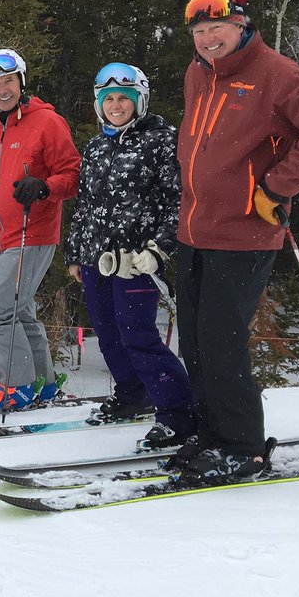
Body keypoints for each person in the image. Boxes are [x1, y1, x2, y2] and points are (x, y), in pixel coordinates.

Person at [171, 0, 299, 483]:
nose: (208, 40)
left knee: (221, 343)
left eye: (217, 29)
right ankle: (210, 434)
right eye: (200, 32)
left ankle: (242, 447)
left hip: (244, 236)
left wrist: (277, 184)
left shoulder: (277, 74)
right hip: (193, 232)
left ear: (242, 26)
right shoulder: (197, 73)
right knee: (195, 341)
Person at [64, 63, 193, 444]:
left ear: (140, 100)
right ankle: (132, 394)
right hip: (95, 258)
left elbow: (179, 199)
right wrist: (76, 253)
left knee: (137, 334)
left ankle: (179, 412)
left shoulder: (161, 139)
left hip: (137, 261)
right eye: (109, 99)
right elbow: (85, 203)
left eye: (124, 98)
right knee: (107, 334)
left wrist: (159, 248)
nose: (116, 106)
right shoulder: (96, 145)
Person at [0, 48, 81, 413]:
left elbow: (73, 176)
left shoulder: (47, 122)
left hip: (33, 233)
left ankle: (16, 384)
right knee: (20, 311)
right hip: (0, 239)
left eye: (8, 81)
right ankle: (41, 382)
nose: (2, 89)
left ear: (21, 82)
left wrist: (44, 187)